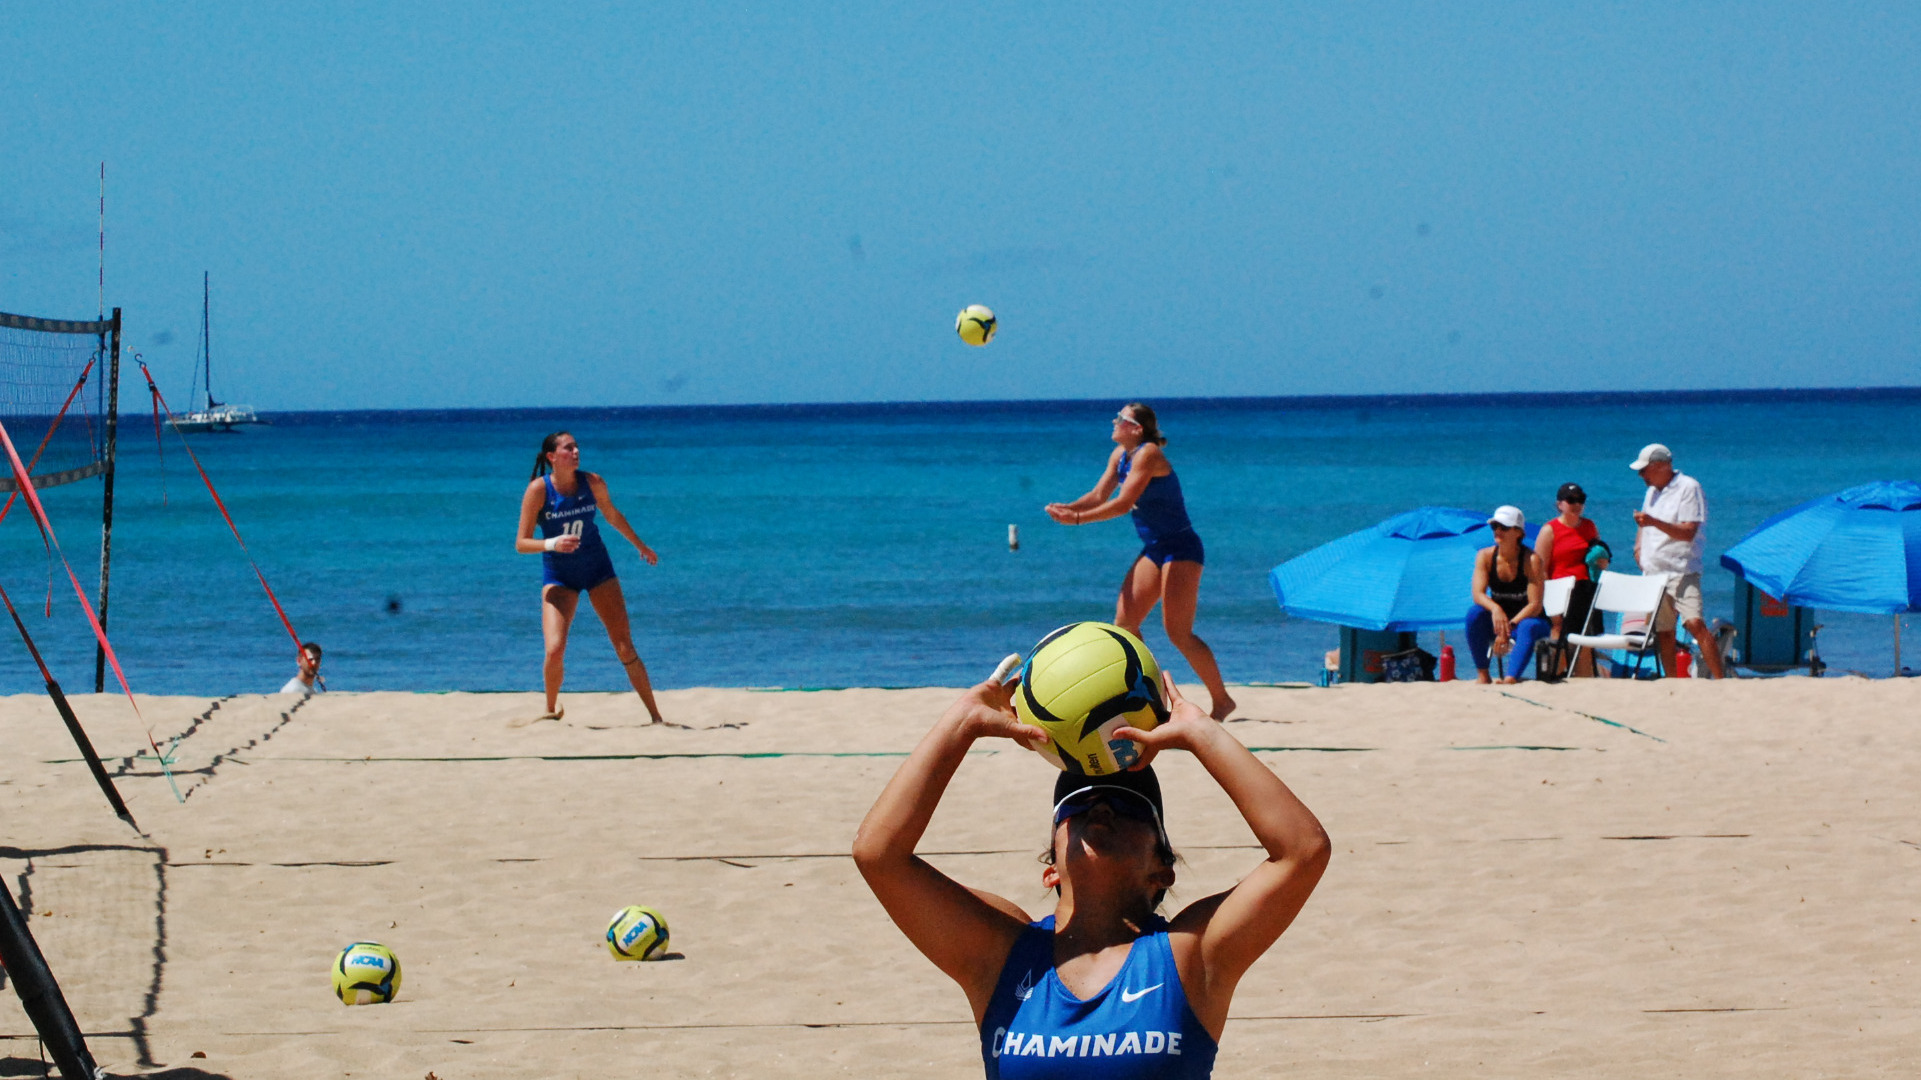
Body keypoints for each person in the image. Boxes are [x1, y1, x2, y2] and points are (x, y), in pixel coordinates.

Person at [853, 667, 1329, 1079]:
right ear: (1050, 872)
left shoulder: (1190, 955)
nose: (1100, 807)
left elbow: (1302, 851)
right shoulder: (1005, 954)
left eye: (1128, 806)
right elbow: (879, 855)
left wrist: (1201, 735)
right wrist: (960, 724)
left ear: (1163, 870)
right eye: (1076, 806)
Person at [1045, 404, 1235, 720]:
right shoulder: (1120, 455)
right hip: (1155, 548)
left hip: (1181, 548)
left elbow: (1122, 503)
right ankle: (1152, 698)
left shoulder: (1148, 454)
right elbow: (1098, 495)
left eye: (1121, 419)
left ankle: (1223, 700)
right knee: (1125, 624)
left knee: (1178, 633)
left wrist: (1077, 520)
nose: (1114, 421)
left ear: (1137, 428)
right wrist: (1068, 507)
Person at [514, 431, 666, 723]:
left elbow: (612, 515)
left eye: (576, 447)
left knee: (624, 645)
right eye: (568, 448)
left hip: (598, 570)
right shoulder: (538, 490)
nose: (575, 452)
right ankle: (549, 711)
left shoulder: (593, 482)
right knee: (555, 649)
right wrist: (552, 543)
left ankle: (656, 717)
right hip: (559, 575)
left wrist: (641, 546)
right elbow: (521, 543)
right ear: (552, 457)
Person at [1630, 443, 1724, 679]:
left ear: (1661, 466)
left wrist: (1653, 523)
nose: (1642, 475)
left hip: (1681, 569)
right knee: (1663, 630)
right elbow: (1644, 523)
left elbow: (1688, 531)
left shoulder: (1688, 487)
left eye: (1645, 470)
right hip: (1655, 572)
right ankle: (1672, 681)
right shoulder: (1651, 491)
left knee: (1694, 622)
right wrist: (1639, 547)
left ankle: (1721, 680)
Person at [1467, 505, 1550, 684]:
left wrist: (1509, 626)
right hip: (1501, 621)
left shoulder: (1531, 560)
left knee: (1528, 626)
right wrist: (1496, 609)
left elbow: (1535, 605)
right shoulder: (1485, 557)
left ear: (1518, 532)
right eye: (1494, 526)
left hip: (1529, 620)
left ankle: (1511, 678)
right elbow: (1478, 594)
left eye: (1503, 527)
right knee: (1474, 614)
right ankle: (1483, 674)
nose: (1498, 531)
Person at [1534, 483, 1603, 677]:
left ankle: (1584, 680)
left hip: (1585, 589)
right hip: (1559, 591)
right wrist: (1549, 603)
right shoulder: (1550, 530)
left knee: (1584, 642)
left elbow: (1597, 557)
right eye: (1571, 500)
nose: (1576, 504)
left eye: (1580, 500)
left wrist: (1602, 561)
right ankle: (1553, 676)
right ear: (1560, 504)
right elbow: (1541, 570)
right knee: (1559, 635)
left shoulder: (1589, 526)